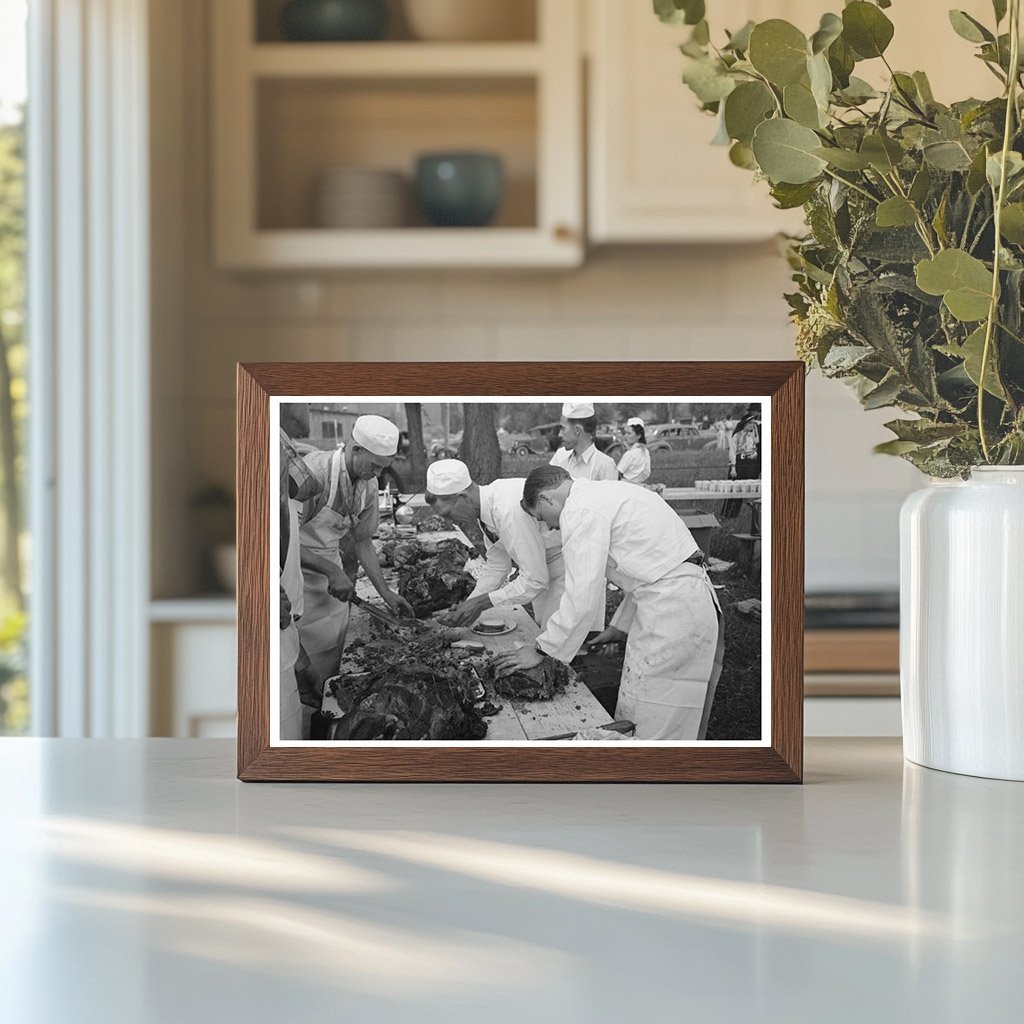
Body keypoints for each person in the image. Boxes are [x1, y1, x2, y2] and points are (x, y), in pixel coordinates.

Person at [495, 466, 724, 741]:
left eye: (543, 518)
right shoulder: (604, 494)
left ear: (546, 499)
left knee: (651, 716)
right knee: (669, 709)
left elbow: (581, 597)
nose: (550, 527)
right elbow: (652, 567)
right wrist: (621, 627)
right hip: (682, 599)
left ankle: (651, 777)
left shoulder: (580, 511)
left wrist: (542, 649)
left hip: (674, 612)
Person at [296, 414, 415, 685]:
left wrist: (386, 593)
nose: (377, 474)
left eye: (383, 468)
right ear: (355, 448)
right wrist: (330, 569)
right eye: (374, 465)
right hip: (299, 587)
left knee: (332, 666)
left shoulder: (369, 485)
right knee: (303, 679)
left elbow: (362, 541)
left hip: (333, 590)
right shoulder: (314, 474)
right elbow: (281, 542)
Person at [549, 401, 618, 481]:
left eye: (563, 428)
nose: (560, 434)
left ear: (577, 430)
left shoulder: (605, 466)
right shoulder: (562, 460)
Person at [724, 403, 761, 518]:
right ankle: (728, 514)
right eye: (750, 423)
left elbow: (755, 447)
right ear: (745, 424)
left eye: (753, 423)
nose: (752, 425)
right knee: (735, 489)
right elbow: (732, 452)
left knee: (745, 488)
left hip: (749, 463)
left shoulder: (751, 436)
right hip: (739, 463)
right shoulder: (737, 436)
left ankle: (739, 513)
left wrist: (754, 454)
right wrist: (733, 467)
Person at [616, 416, 652, 485]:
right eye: (626, 433)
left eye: (629, 433)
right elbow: (647, 473)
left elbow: (616, 474)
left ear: (638, 436)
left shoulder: (631, 454)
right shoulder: (645, 452)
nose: (626, 436)